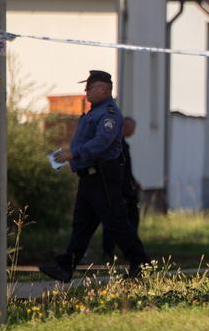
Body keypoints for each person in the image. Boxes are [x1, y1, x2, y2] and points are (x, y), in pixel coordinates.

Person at [39, 70, 149, 282]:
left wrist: (73, 153)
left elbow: (101, 142)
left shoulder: (109, 114)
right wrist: (70, 154)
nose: (85, 91)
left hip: (103, 177)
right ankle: (66, 266)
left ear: (102, 89)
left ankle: (141, 263)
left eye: (89, 87)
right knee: (82, 224)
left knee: (116, 221)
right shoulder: (93, 112)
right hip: (88, 178)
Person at [100, 116, 141, 263]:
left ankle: (128, 253)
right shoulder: (117, 145)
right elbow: (118, 171)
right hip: (119, 192)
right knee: (116, 222)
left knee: (126, 221)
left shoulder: (123, 145)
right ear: (124, 127)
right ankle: (112, 252)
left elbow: (126, 170)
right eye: (132, 128)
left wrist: (133, 181)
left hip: (125, 190)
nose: (134, 131)